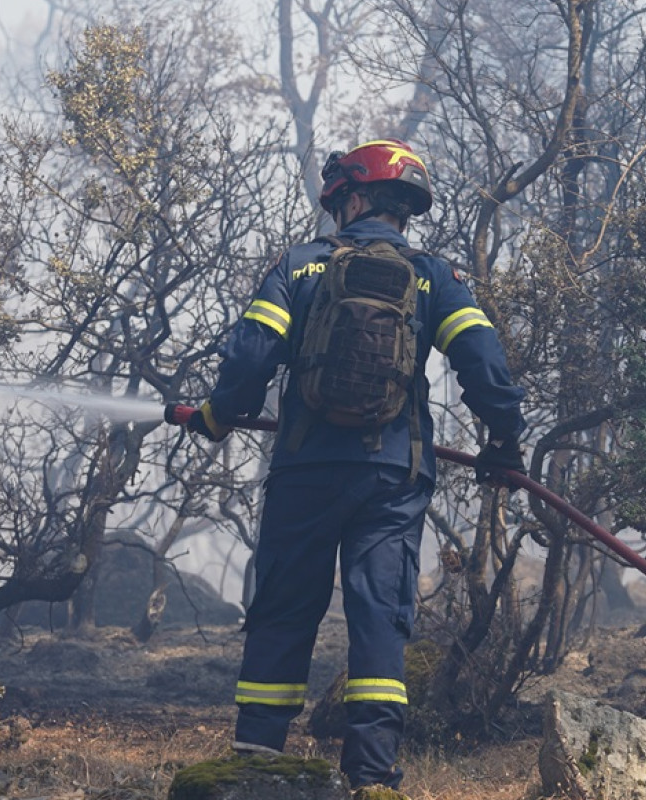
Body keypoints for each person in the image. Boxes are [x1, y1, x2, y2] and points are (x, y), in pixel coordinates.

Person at [183, 139, 526, 797]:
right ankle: (371, 777)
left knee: (284, 609)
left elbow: (251, 359)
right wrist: (503, 442)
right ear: (405, 207)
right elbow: (483, 363)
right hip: (392, 477)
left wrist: (217, 415)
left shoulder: (302, 267)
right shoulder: (436, 277)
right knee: (378, 616)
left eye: (340, 201)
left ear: (356, 197)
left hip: (304, 471)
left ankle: (257, 764)